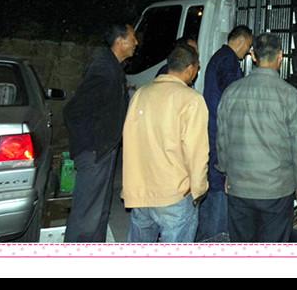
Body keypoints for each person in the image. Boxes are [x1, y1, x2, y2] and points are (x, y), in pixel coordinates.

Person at [217, 33, 297, 242]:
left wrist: (225, 171)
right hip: (276, 190)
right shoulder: (290, 95)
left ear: (253, 56)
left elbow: (222, 139)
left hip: (239, 187)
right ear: (280, 56)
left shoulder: (231, 92)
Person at [122, 43, 209, 242]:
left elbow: (130, 139)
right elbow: (197, 152)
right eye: (197, 68)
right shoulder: (191, 99)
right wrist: (199, 190)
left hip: (140, 191)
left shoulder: (141, 94)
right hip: (174, 194)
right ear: (190, 68)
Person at [63, 23, 138, 242]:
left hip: (103, 149)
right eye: (132, 37)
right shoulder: (104, 69)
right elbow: (74, 111)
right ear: (120, 41)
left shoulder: (113, 67)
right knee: (87, 215)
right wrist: (92, 148)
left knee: (99, 212)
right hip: (95, 151)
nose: (136, 42)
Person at [196, 24, 253, 241]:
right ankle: (216, 235)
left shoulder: (218, 57)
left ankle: (205, 233)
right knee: (220, 181)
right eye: (247, 46)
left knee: (213, 178)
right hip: (221, 131)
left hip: (213, 127)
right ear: (241, 41)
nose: (247, 52)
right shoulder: (229, 61)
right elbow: (233, 95)